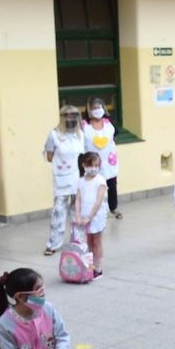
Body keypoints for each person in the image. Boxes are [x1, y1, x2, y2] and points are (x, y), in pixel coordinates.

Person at [43, 105, 84, 255]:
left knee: (77, 210)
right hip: (62, 178)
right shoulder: (54, 135)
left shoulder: (81, 135)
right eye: (68, 115)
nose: (71, 119)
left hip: (78, 178)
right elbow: (49, 156)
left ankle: (78, 240)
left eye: (74, 115)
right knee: (59, 212)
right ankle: (53, 244)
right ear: (62, 117)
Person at [82, 97, 121, 219]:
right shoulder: (84, 126)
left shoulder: (109, 123)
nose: (97, 110)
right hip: (91, 161)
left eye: (99, 107)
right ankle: (93, 209)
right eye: (94, 108)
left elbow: (114, 138)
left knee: (111, 184)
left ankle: (113, 207)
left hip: (108, 161)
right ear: (89, 110)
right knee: (92, 186)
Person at [74, 152, 108, 279]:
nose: (94, 168)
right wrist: (78, 216)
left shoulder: (100, 180)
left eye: (96, 165)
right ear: (84, 165)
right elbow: (78, 199)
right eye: (91, 165)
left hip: (97, 216)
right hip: (84, 217)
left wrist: (90, 217)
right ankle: (89, 267)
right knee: (88, 241)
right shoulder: (80, 181)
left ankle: (98, 269)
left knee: (96, 241)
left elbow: (99, 201)